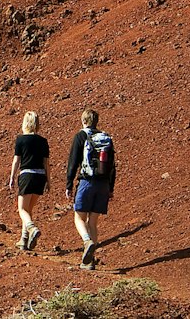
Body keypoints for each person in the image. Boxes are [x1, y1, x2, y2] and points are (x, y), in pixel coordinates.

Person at [66, 108, 116, 269]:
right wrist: (111, 187)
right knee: (93, 222)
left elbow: (73, 162)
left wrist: (69, 184)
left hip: (86, 182)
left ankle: (87, 241)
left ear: (83, 121)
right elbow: (112, 166)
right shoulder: (105, 138)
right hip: (103, 184)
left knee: (79, 217)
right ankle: (90, 262)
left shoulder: (81, 136)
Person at [8, 111, 50, 250]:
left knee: (21, 209)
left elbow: (16, 161)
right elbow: (46, 163)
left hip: (27, 175)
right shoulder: (43, 141)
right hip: (40, 177)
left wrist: (12, 177)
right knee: (28, 210)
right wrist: (48, 181)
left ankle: (32, 229)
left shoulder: (21, 140)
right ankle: (23, 240)